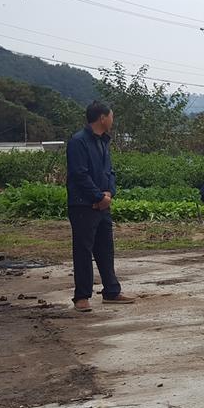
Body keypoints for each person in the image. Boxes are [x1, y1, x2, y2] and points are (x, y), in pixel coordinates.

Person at [67, 101, 135, 312]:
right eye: (111, 116)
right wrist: (97, 196)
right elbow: (79, 174)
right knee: (84, 251)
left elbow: (109, 172)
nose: (113, 120)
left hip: (103, 204)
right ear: (102, 118)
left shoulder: (103, 142)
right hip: (83, 206)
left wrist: (108, 193)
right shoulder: (79, 142)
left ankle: (111, 291)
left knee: (106, 249)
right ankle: (82, 297)